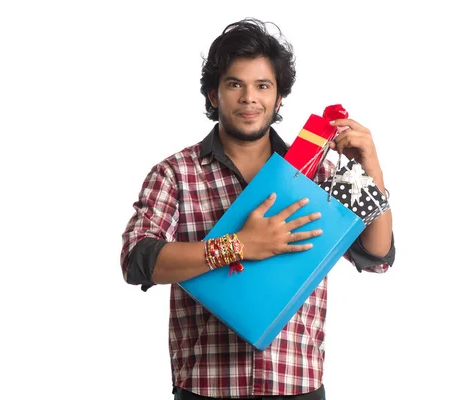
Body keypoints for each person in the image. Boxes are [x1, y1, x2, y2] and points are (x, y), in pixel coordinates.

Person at [120, 18, 395, 400]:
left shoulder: (317, 171)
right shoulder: (175, 173)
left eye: (263, 85)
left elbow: (376, 254)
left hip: (297, 387)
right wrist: (238, 245)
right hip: (206, 388)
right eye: (235, 84)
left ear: (279, 97)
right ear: (214, 95)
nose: (250, 98)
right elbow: (138, 261)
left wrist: (371, 170)